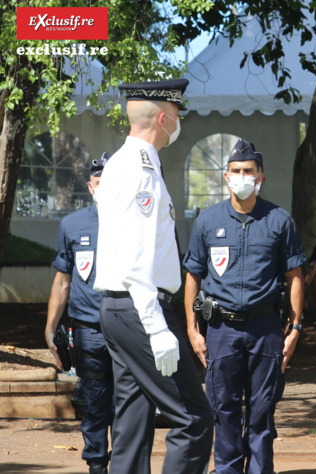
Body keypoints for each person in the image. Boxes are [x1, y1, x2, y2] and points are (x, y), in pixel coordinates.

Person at [93, 79, 213, 474]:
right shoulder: (142, 169)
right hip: (141, 308)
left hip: (118, 307)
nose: (178, 125)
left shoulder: (121, 164)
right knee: (193, 420)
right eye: (176, 116)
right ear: (163, 118)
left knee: (133, 418)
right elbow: (136, 254)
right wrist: (156, 326)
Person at [182, 138, 306, 474]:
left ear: (260, 177)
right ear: (226, 177)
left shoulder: (280, 221)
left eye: (248, 171)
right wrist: (193, 330)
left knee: (262, 411)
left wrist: (295, 328)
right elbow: (193, 277)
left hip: (266, 329)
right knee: (223, 409)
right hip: (221, 330)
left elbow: (295, 276)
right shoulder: (207, 221)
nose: (242, 176)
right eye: (235, 170)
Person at [45, 154, 114, 474]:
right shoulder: (72, 225)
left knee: (129, 400)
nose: (107, 188)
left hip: (128, 327)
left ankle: (127, 464)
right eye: (101, 183)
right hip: (88, 330)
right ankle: (97, 464)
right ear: (91, 187)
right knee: (95, 398)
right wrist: (50, 328)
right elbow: (63, 280)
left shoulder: (137, 221)